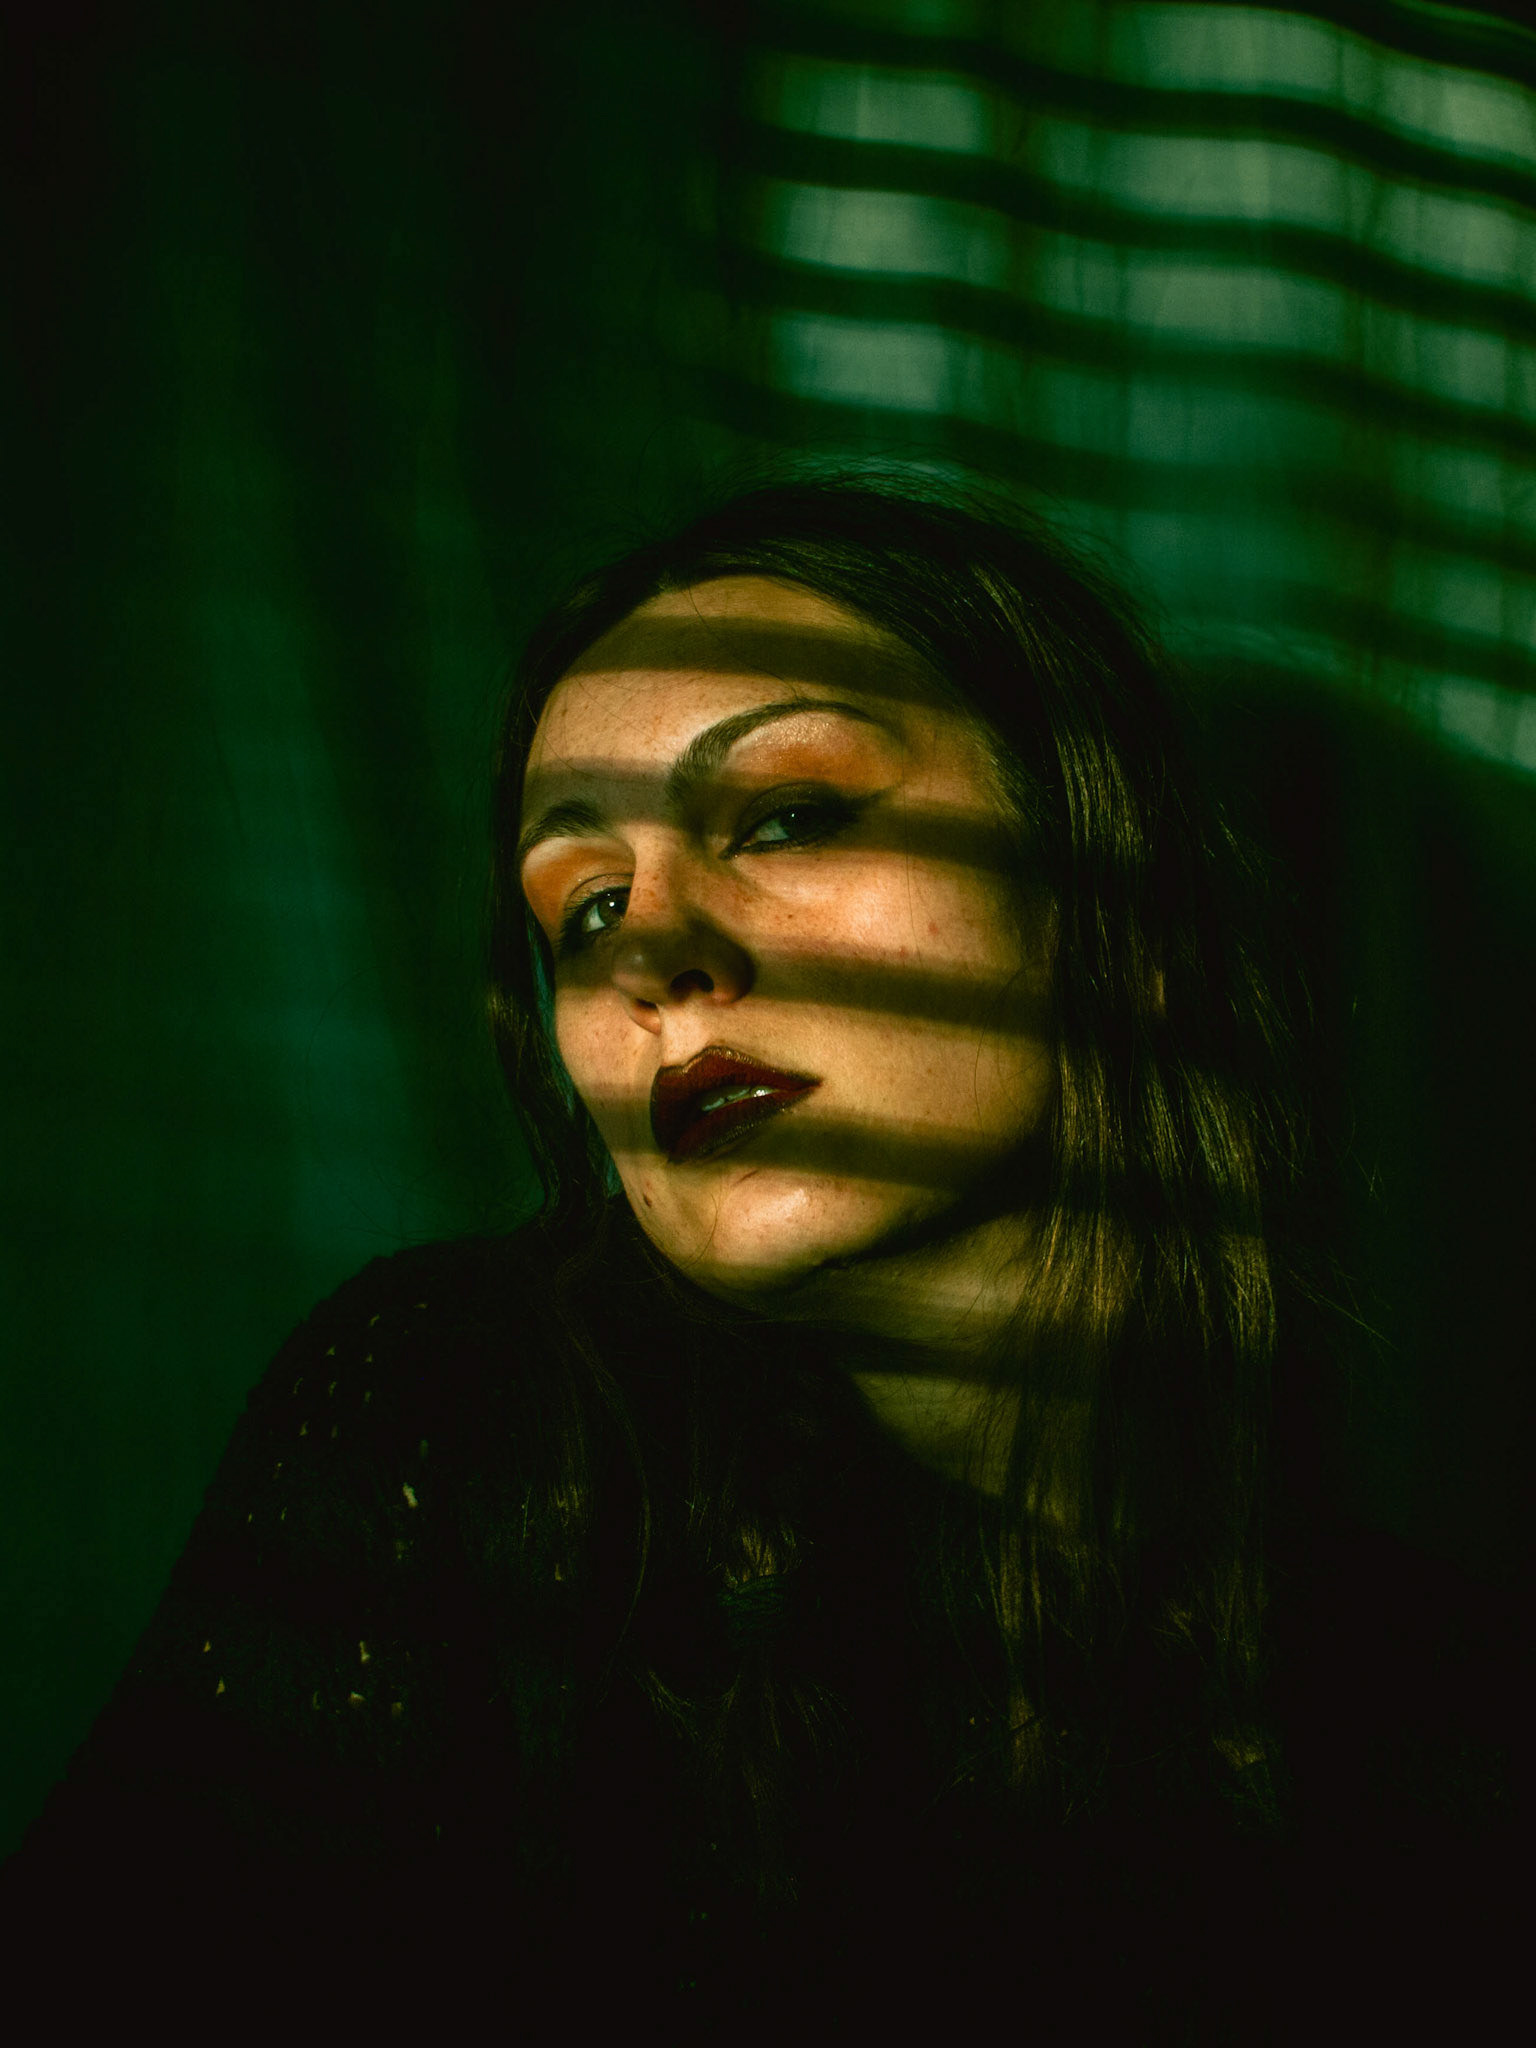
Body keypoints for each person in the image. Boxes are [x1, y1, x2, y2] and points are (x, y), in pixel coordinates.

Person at [3, 474, 1514, 2040]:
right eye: (588, 909)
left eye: (787, 815)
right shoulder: (472, 1441)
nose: (654, 955)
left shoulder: (1425, 1723)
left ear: (1113, 906)